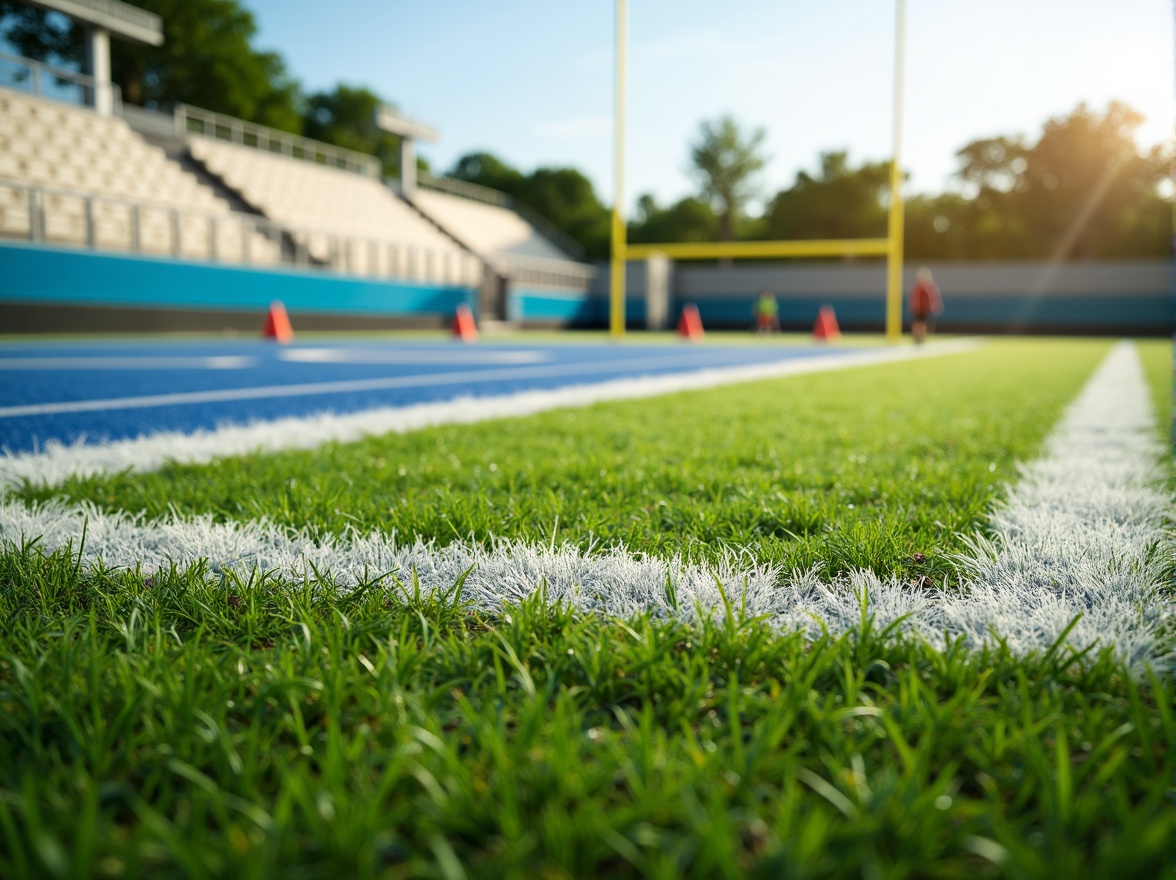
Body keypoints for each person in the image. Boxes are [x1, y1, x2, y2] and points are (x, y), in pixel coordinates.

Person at [908, 267, 943, 344]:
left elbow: (933, 298)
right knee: (918, 323)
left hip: (925, 309)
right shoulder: (919, 288)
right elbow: (914, 298)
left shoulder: (930, 288)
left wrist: (935, 306)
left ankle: (921, 338)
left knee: (924, 324)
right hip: (918, 309)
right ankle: (918, 338)